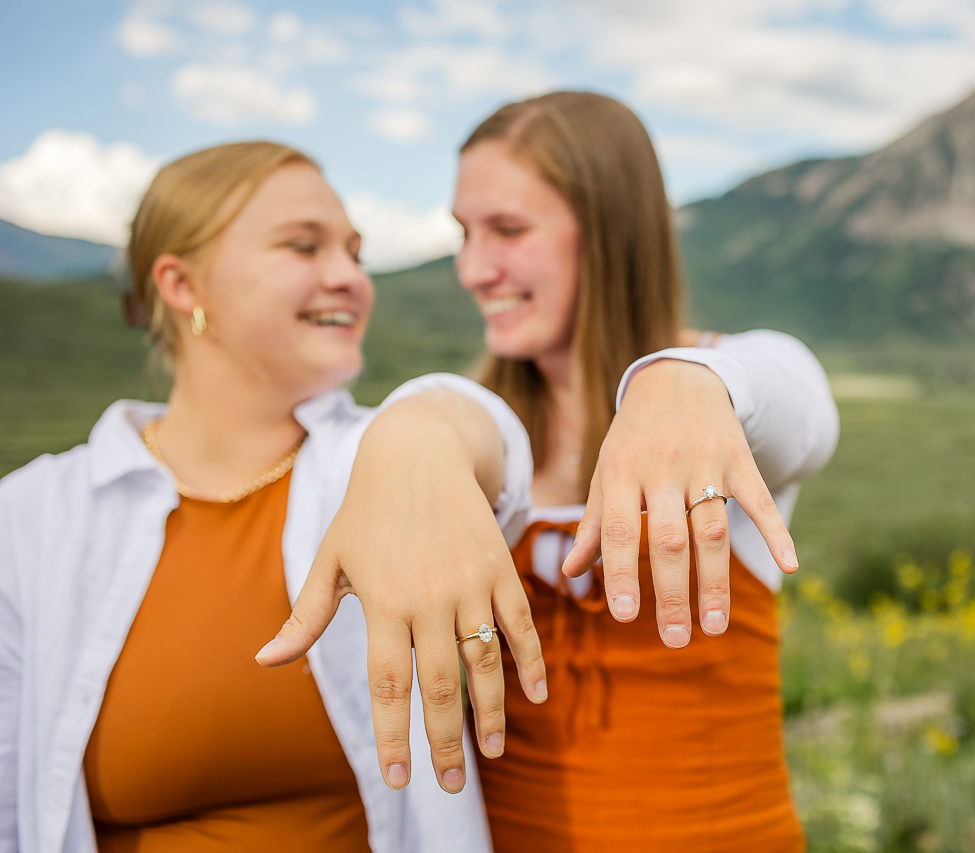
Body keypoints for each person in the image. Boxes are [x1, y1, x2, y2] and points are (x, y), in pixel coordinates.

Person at [0, 141, 548, 853]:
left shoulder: (381, 463)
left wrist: (423, 427)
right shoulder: (33, 517)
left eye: (355, 252)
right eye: (304, 246)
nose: (350, 278)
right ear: (182, 285)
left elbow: (491, 443)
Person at [449, 92, 840, 850]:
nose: (472, 267)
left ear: (608, 231)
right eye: (463, 233)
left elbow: (806, 410)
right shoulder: (476, 429)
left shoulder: (725, 391)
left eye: (508, 229)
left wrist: (689, 378)